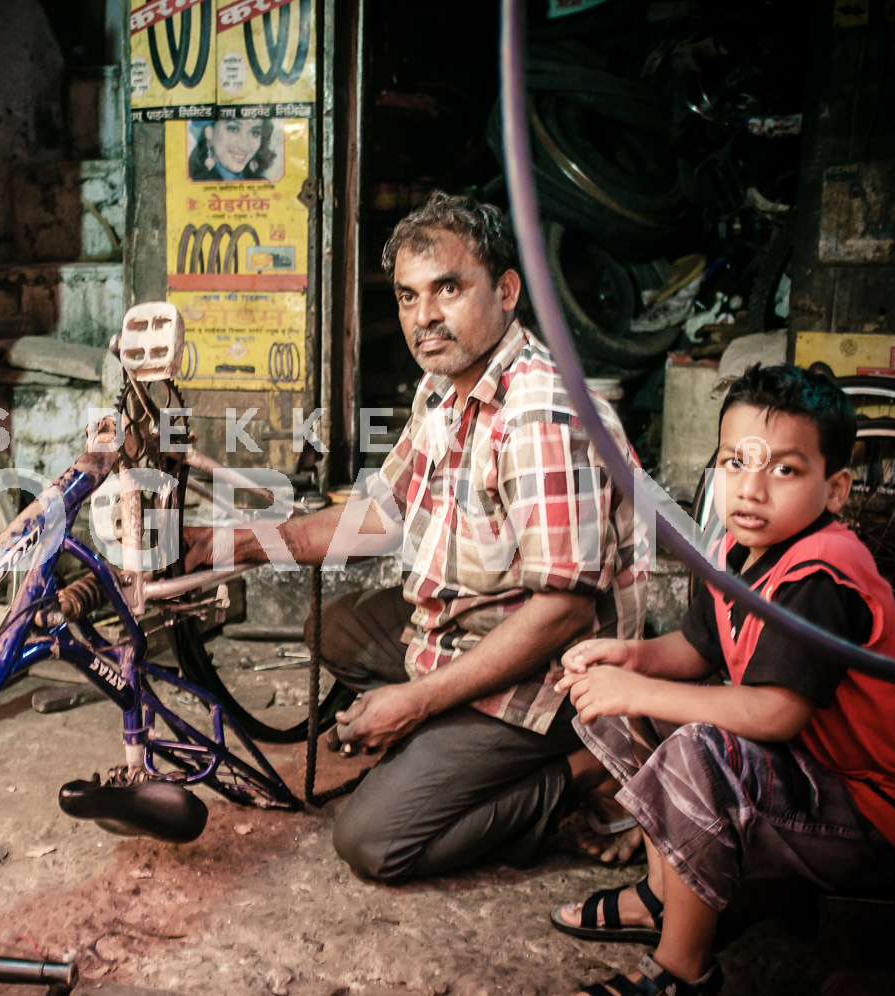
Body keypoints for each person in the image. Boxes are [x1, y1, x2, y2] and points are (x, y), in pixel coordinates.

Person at [184, 192, 646, 883]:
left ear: (506, 291)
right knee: (333, 629)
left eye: (448, 289)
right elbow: (379, 514)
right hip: (468, 625)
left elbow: (564, 610)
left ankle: (586, 770)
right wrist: (233, 547)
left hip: (553, 677)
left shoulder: (540, 418)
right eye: (407, 297)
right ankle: (448, 744)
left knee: (373, 840)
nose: (424, 317)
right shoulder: (442, 391)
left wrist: (418, 702)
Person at [549, 364, 895, 996]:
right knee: (643, 709)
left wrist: (644, 691)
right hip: (806, 772)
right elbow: (695, 647)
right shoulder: (732, 550)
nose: (751, 490)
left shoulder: (823, 572)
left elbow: (776, 713)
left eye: (784, 470)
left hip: (876, 819)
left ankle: (683, 973)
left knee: (699, 747)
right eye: (736, 463)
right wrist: (632, 659)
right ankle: (661, 895)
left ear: (836, 489)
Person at [188, 118, 277, 182]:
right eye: (233, 129)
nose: (244, 146)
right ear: (209, 132)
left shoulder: (262, 184)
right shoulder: (194, 183)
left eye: (255, 133)